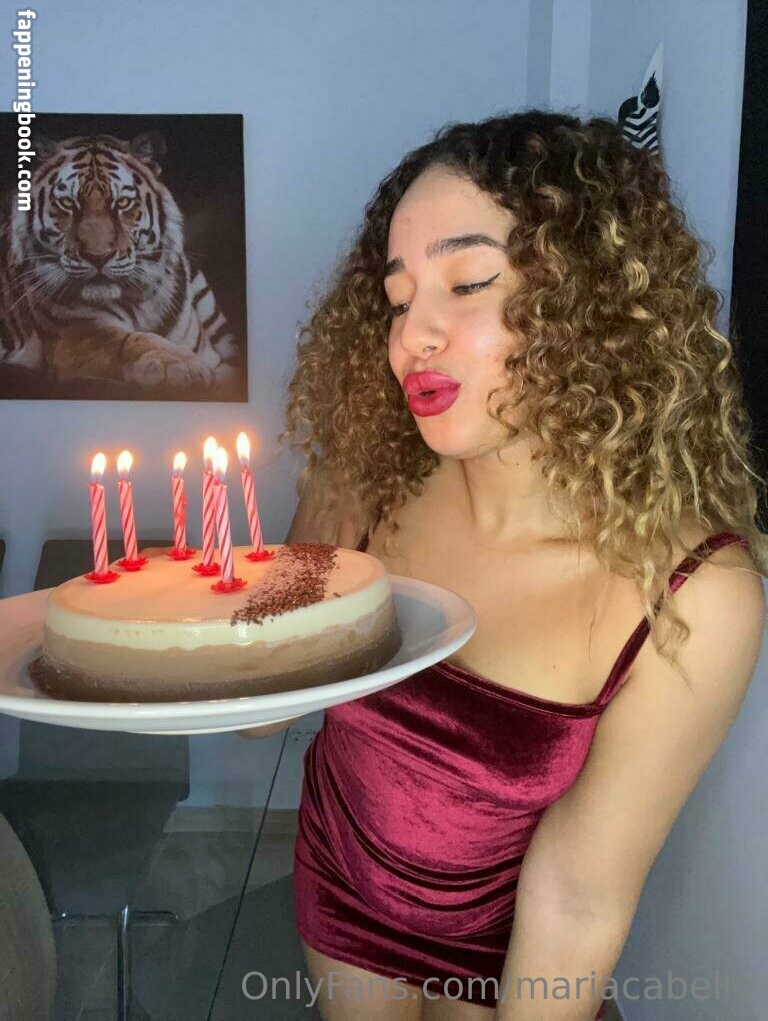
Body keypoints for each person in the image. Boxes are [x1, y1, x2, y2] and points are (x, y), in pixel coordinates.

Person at [241, 111, 767, 1020]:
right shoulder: (369, 481)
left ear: (591, 306)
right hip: (338, 883)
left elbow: (579, 894)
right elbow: (260, 714)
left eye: (468, 282)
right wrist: (300, 564)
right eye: (398, 300)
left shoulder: (690, 594)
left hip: (504, 951)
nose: (413, 336)